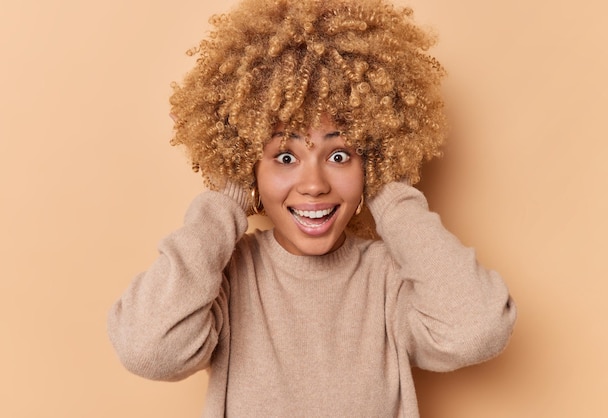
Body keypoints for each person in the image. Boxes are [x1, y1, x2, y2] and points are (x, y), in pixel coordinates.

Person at [107, 0, 517, 416]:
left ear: (372, 160)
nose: (315, 185)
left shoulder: (391, 279)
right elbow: (147, 349)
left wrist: (389, 195)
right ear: (248, 162)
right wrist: (227, 197)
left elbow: (477, 330)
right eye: (285, 157)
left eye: (340, 156)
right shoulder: (224, 280)